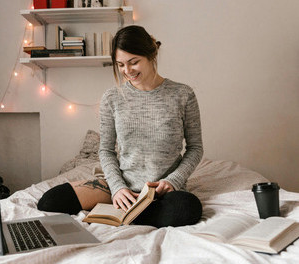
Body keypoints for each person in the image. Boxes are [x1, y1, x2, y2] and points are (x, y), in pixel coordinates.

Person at [37, 25, 203, 228]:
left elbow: (195, 148)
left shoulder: (183, 95)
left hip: (162, 191)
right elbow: (106, 150)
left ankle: (130, 213)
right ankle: (133, 208)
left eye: (134, 63)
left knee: (188, 209)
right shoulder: (112, 98)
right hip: (121, 184)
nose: (127, 71)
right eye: (121, 65)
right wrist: (117, 188)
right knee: (50, 201)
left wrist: (174, 180)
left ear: (151, 55)